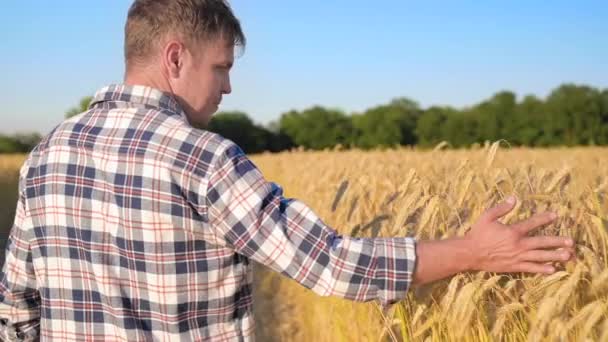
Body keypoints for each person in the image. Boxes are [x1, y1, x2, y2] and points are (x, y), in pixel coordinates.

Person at [0, 1, 575, 341]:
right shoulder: (203, 159)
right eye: (221, 67)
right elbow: (333, 265)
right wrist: (474, 252)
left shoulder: (46, 154)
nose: (228, 86)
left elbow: (16, 309)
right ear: (175, 58)